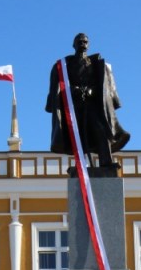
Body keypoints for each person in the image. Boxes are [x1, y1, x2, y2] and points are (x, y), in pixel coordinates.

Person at [45, 32, 130, 169]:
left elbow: (102, 84)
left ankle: (106, 162)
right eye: (79, 42)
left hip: (92, 104)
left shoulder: (96, 64)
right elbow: (59, 86)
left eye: (85, 42)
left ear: (88, 45)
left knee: (101, 129)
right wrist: (73, 90)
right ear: (73, 45)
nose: (82, 44)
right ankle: (80, 164)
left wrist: (91, 90)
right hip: (73, 105)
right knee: (76, 133)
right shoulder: (65, 65)